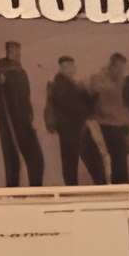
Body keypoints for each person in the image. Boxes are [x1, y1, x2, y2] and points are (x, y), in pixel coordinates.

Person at [0, 41, 44, 187]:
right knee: (12, 161)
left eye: (19, 52)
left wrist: (29, 115)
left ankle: (36, 190)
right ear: (8, 52)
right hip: (8, 122)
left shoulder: (21, 71)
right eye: (14, 52)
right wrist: (0, 107)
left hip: (23, 121)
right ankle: (13, 193)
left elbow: (25, 97)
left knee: (36, 159)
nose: (17, 54)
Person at [46, 55, 101, 185]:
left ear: (74, 67)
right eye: (65, 67)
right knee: (91, 161)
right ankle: (100, 187)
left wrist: (91, 95)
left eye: (70, 66)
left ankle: (72, 191)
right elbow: (79, 108)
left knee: (71, 164)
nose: (68, 69)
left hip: (70, 130)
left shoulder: (71, 84)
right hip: (74, 130)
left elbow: (83, 106)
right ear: (61, 69)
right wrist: (92, 97)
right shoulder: (61, 85)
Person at [91, 52, 129, 184]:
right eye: (119, 67)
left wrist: (128, 120)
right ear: (111, 66)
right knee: (117, 156)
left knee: (121, 156)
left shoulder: (121, 79)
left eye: (123, 67)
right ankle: (120, 184)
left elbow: (123, 103)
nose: (121, 70)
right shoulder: (100, 78)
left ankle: (122, 183)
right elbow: (100, 98)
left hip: (120, 123)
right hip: (108, 124)